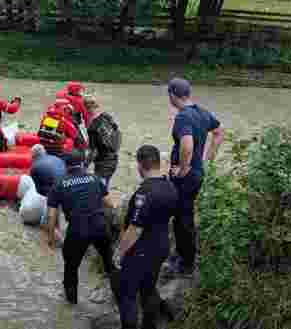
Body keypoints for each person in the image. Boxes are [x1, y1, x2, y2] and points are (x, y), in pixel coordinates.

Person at [165, 78, 225, 275]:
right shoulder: (202, 112)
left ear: (173, 95)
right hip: (197, 173)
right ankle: (182, 253)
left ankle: (186, 263)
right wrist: (208, 159)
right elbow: (218, 132)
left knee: (183, 218)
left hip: (186, 176)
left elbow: (187, 144)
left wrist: (183, 168)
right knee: (183, 214)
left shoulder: (183, 117)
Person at [115, 145, 178, 329]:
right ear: (158, 162)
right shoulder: (170, 187)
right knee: (148, 289)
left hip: (141, 250)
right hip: (161, 246)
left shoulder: (144, 193)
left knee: (127, 294)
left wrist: (120, 253)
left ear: (140, 165)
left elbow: (135, 229)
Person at [45, 148, 117, 305]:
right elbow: (111, 204)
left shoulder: (59, 184)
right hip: (100, 226)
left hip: (78, 230)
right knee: (110, 264)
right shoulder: (95, 178)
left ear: (65, 165)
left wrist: (50, 237)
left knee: (71, 268)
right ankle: (119, 296)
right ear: (83, 163)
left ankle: (71, 305)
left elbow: (51, 215)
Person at [30, 144, 66, 242]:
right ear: (44, 152)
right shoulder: (56, 158)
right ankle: (57, 228)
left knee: (45, 222)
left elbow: (38, 191)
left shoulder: (34, 167)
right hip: (69, 188)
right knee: (57, 214)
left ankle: (61, 242)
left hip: (56, 192)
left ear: (33, 156)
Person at [84, 95, 121, 189]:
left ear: (85, 108)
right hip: (114, 159)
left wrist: (84, 166)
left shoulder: (92, 127)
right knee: (104, 187)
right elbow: (118, 133)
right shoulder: (107, 116)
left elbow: (93, 151)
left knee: (100, 191)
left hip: (103, 163)